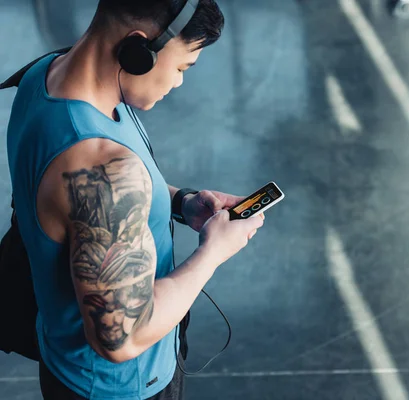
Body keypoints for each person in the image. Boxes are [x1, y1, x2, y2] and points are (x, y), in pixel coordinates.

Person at [5, 0, 265, 398]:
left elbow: (81, 197)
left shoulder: (45, 76)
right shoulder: (100, 164)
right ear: (137, 49)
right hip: (120, 388)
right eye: (181, 67)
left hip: (66, 359)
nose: (179, 83)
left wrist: (180, 202)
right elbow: (122, 337)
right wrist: (214, 251)